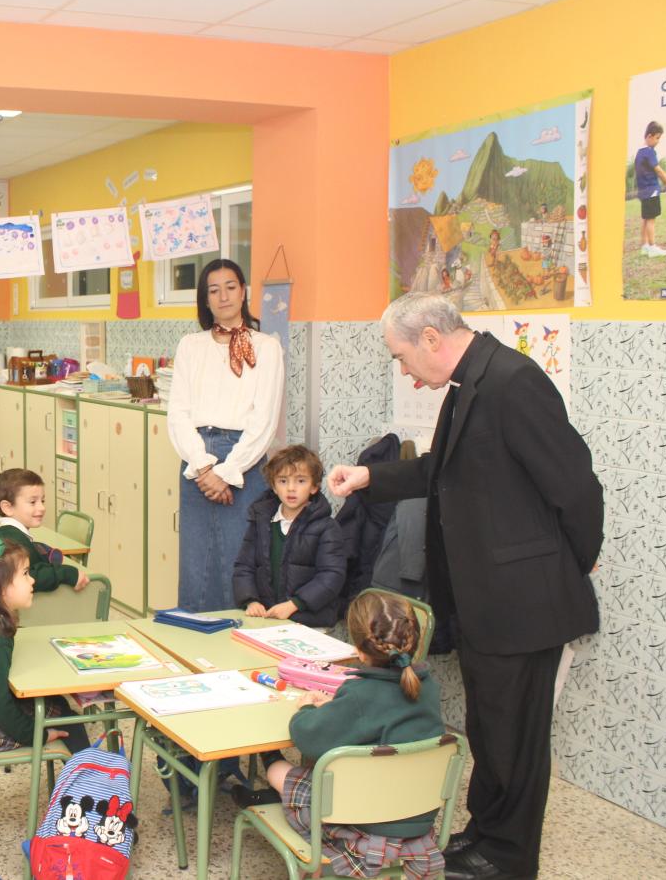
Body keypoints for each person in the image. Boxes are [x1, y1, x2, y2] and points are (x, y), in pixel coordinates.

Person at [327, 292, 602, 880]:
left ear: (430, 338)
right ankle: (484, 836)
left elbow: (576, 483)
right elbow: (437, 472)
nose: (402, 370)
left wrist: (577, 561)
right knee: (490, 728)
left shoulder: (513, 382)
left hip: (526, 601)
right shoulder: (465, 388)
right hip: (488, 600)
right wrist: (369, 475)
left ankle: (509, 857)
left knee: (517, 740)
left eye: (401, 357)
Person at [235, 590, 447, 880]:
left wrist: (307, 709)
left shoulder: (359, 695)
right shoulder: (429, 688)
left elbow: (308, 737)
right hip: (417, 817)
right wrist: (339, 707)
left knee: (279, 770)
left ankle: (268, 759)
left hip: (364, 821)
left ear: (359, 650)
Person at [166, 259, 285, 613]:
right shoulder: (191, 344)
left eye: (230, 287)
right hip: (196, 459)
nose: (223, 296)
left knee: (241, 560)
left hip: (243, 460)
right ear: (205, 299)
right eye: (213, 290)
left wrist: (228, 471)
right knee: (194, 564)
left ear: (243, 291)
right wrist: (203, 467)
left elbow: (264, 420)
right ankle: (193, 648)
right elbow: (179, 413)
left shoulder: (265, 346)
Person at [0, 533, 91, 754]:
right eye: (26, 574)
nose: (33, 581)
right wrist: (37, 734)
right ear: (1, 588)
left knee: (57, 704)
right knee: (69, 720)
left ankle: (85, 780)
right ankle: (90, 782)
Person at [231, 445, 346, 628]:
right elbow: (244, 566)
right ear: (274, 487)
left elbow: (332, 575)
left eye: (300, 481)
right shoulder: (260, 522)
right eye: (283, 481)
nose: (291, 488)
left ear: (314, 486)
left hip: (311, 623)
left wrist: (294, 605)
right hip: (267, 619)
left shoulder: (327, 527)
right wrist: (251, 600)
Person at [0, 468, 89, 592]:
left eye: (42, 501)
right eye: (33, 502)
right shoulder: (11, 540)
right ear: (8, 508)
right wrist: (68, 573)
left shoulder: (10, 534)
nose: (42, 507)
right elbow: (26, 577)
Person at [634, 120, 666, 258]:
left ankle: (645, 246)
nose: (658, 141)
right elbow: (658, 171)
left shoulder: (639, 152)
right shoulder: (649, 152)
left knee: (646, 218)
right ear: (649, 136)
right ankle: (652, 247)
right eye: (657, 137)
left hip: (643, 191)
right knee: (651, 219)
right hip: (651, 189)